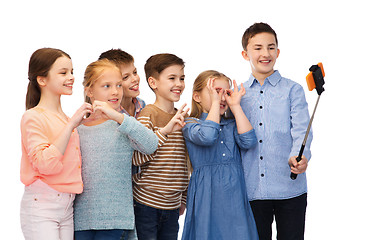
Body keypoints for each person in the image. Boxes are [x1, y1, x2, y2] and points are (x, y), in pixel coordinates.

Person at [240, 22, 313, 240]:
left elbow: (302, 130)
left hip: (290, 189)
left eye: (271, 47)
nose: (265, 53)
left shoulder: (293, 90)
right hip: (252, 189)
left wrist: (300, 156)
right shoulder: (238, 94)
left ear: (278, 52)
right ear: (245, 54)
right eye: (258, 48)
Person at [73, 59, 159, 240]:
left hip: (115, 219)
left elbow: (150, 145)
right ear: (89, 91)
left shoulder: (123, 125)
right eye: (107, 86)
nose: (115, 91)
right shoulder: (77, 127)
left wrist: (118, 116)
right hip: (81, 220)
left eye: (119, 85)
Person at [20, 48, 93, 240]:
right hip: (42, 206)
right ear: (42, 80)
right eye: (63, 73)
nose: (71, 77)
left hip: (67, 207)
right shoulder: (33, 117)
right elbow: (46, 165)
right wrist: (71, 125)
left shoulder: (67, 119)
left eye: (71, 72)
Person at [181, 70, 260, 240]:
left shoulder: (232, 124)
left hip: (234, 194)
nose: (222, 98)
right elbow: (208, 136)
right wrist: (216, 104)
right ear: (197, 97)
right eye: (216, 92)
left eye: (226, 92)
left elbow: (249, 141)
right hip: (207, 193)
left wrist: (236, 106)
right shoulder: (190, 124)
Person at [132, 53, 189, 240]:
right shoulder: (148, 114)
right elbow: (137, 158)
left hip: (172, 206)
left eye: (181, 78)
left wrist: (183, 198)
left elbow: (184, 162)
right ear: (153, 82)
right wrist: (165, 131)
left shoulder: (183, 118)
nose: (179, 83)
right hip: (146, 203)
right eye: (172, 78)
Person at [98, 49, 145, 118]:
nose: (135, 79)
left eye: (135, 72)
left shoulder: (141, 104)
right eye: (126, 77)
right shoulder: (108, 113)